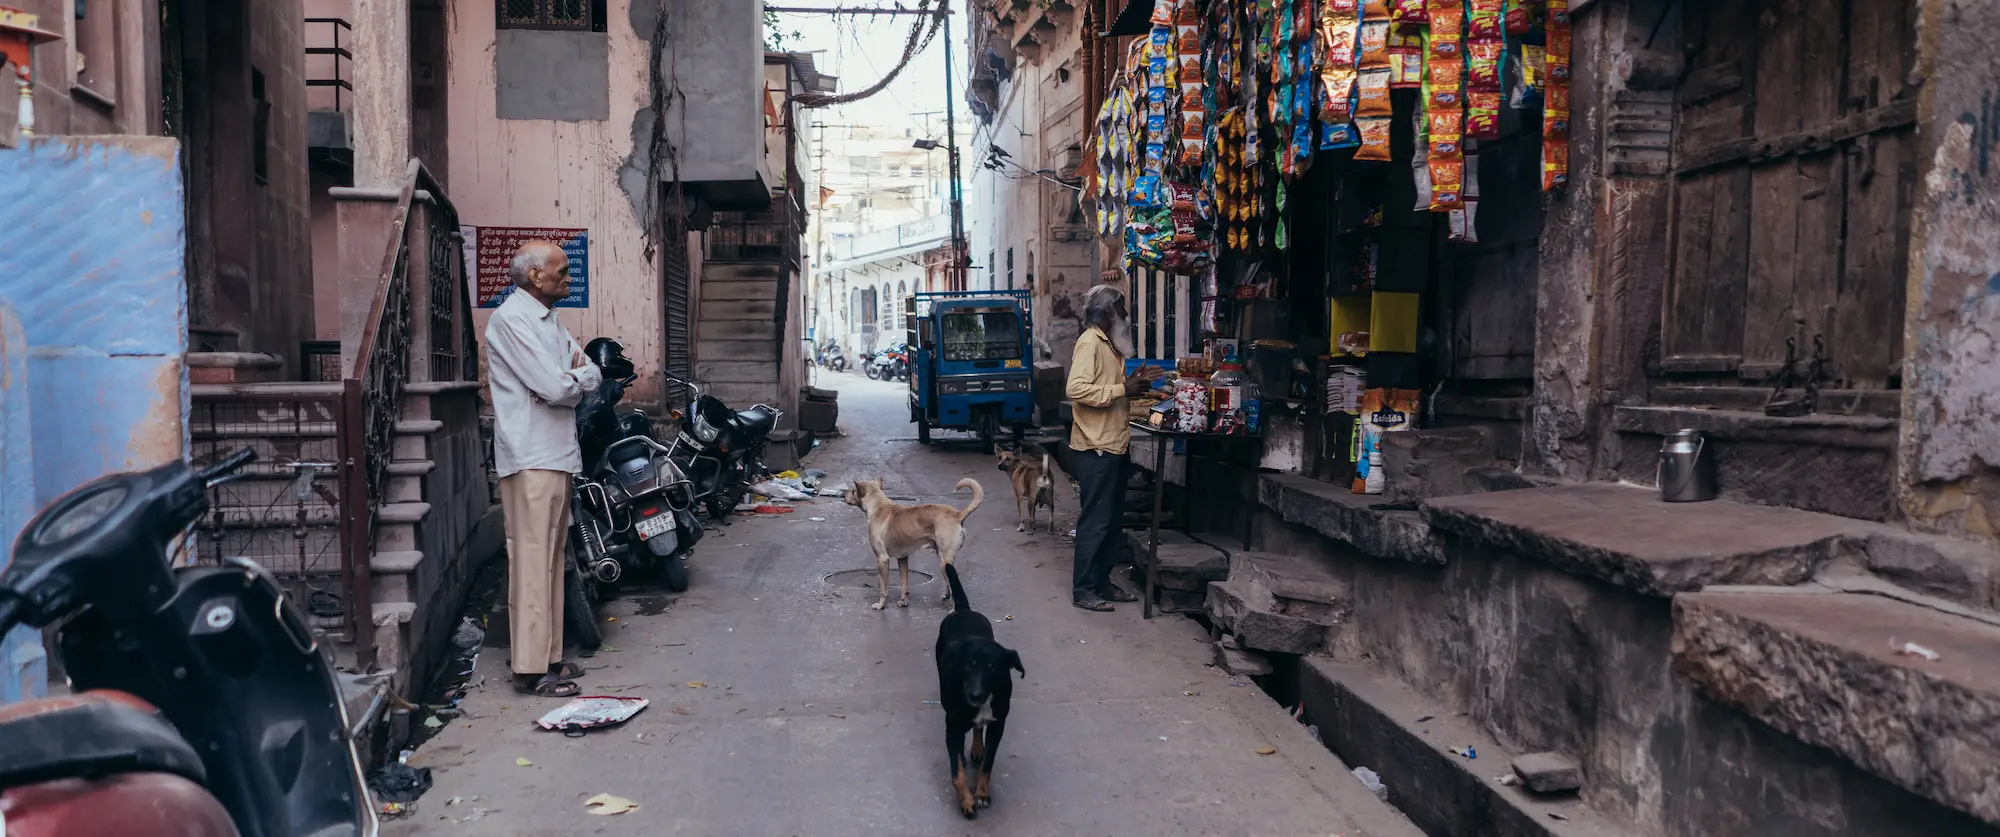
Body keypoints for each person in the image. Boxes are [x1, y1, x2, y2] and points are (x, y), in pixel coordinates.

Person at [484, 240, 602, 697]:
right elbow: (556, 387)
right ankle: (530, 669)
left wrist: (575, 379)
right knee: (533, 560)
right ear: (535, 276)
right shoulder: (512, 320)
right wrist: (574, 380)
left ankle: (550, 658)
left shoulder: (547, 320)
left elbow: (588, 370)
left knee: (552, 559)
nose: (568, 277)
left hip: (554, 453)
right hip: (531, 453)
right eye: (560, 271)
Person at [1064, 284, 1163, 612]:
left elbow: (1108, 388)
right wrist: (1123, 387)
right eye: (1121, 309)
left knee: (1111, 519)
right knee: (1096, 520)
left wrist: (1130, 382)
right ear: (1107, 312)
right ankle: (1084, 589)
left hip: (1112, 444)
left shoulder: (1108, 346)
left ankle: (1102, 582)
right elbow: (1077, 389)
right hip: (1096, 447)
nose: (1125, 315)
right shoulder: (1089, 342)